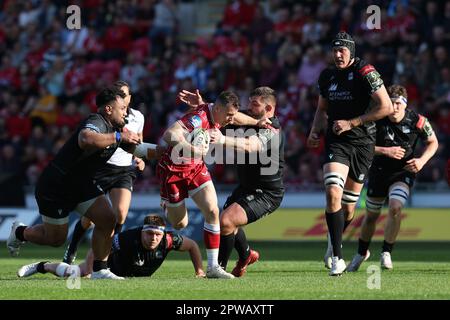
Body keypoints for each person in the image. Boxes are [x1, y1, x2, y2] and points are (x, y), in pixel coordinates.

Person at [6, 86, 157, 279]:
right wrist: (119, 137)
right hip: (56, 186)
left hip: (82, 184)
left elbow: (143, 150)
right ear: (109, 109)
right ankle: (20, 232)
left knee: (108, 218)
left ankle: (100, 269)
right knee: (55, 239)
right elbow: (86, 138)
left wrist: (174, 151)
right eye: (122, 108)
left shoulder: (119, 128)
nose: (126, 112)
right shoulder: (96, 121)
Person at [307, 31, 393, 276]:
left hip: (364, 143)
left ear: (351, 52)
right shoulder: (327, 76)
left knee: (348, 209)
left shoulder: (366, 72)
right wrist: (314, 131)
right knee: (333, 191)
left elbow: (385, 107)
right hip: (337, 141)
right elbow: (322, 109)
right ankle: (337, 257)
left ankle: (333, 239)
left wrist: (353, 123)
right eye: (334, 50)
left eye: (342, 50)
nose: (337, 55)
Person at [159, 90, 267, 279]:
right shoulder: (198, 118)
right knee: (179, 223)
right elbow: (170, 134)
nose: (230, 120)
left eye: (232, 115)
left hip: (195, 169)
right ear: (217, 109)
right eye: (228, 115)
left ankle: (213, 267)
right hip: (173, 172)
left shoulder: (218, 113)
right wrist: (193, 149)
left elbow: (237, 118)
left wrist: (257, 122)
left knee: (213, 211)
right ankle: (168, 205)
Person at [179, 87, 284, 277]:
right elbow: (231, 116)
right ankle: (246, 255)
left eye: (254, 104)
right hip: (246, 187)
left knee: (226, 221)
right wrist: (203, 105)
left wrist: (221, 139)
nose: (249, 107)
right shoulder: (251, 118)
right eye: (249, 102)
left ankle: (219, 269)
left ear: (269, 109)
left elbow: (252, 146)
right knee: (226, 222)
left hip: (267, 192)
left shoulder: (272, 128)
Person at [346, 84, 438, 271]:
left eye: (398, 103)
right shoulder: (376, 119)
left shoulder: (418, 121)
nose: (394, 107)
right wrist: (385, 150)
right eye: (391, 103)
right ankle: (361, 253)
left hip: (403, 173)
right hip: (379, 172)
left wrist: (421, 161)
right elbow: (361, 146)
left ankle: (386, 252)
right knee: (371, 216)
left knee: (395, 208)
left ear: (405, 104)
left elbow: (433, 142)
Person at [62, 80, 146, 264]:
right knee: (89, 219)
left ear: (130, 97)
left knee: (121, 214)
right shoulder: (107, 117)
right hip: (102, 168)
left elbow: (139, 140)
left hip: (124, 170)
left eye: (125, 94)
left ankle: (110, 253)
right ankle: (73, 246)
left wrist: (140, 158)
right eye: (119, 95)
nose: (122, 98)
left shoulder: (138, 117)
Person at [17, 214, 205, 279]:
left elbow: (193, 246)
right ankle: (42, 266)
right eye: (149, 233)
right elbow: (98, 247)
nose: (154, 238)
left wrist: (199, 271)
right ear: (141, 231)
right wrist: (92, 269)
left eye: (157, 234)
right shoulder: (127, 239)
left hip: (132, 274)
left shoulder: (169, 240)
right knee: (75, 273)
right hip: (109, 267)